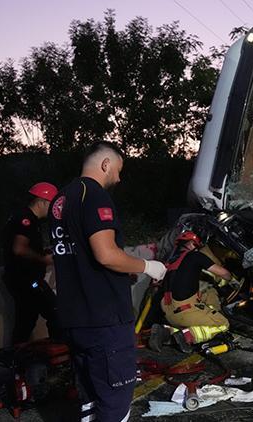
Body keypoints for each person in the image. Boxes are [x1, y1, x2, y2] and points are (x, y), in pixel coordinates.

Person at [48, 141, 167, 422]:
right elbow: (105, 254)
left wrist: (123, 270)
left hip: (74, 318)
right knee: (115, 403)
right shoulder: (96, 195)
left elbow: (80, 254)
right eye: (118, 170)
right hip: (104, 320)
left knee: (90, 398)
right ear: (105, 164)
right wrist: (148, 266)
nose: (119, 178)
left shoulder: (60, 200)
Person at [149, 231, 232, 353]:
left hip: (169, 315)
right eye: (196, 246)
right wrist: (232, 279)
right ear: (192, 244)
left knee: (198, 308)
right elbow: (224, 274)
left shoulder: (169, 264)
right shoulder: (195, 256)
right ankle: (188, 336)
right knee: (223, 324)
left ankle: (166, 331)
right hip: (186, 312)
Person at [2, 182, 60, 344]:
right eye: (51, 204)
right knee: (54, 311)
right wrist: (43, 259)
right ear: (42, 201)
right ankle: (56, 354)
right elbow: (19, 248)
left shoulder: (24, 217)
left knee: (26, 322)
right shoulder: (26, 219)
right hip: (28, 280)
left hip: (23, 279)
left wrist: (43, 252)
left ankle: (17, 362)